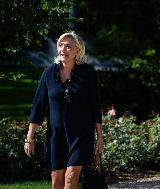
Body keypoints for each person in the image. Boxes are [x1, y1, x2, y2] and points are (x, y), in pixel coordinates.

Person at [24, 32, 103, 189]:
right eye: (60, 45)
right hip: (56, 135)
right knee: (57, 180)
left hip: (81, 134)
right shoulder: (48, 74)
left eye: (68, 46)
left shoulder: (87, 73)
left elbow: (95, 107)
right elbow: (38, 107)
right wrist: (29, 138)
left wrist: (100, 137)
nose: (63, 49)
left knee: (71, 176)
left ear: (77, 51)